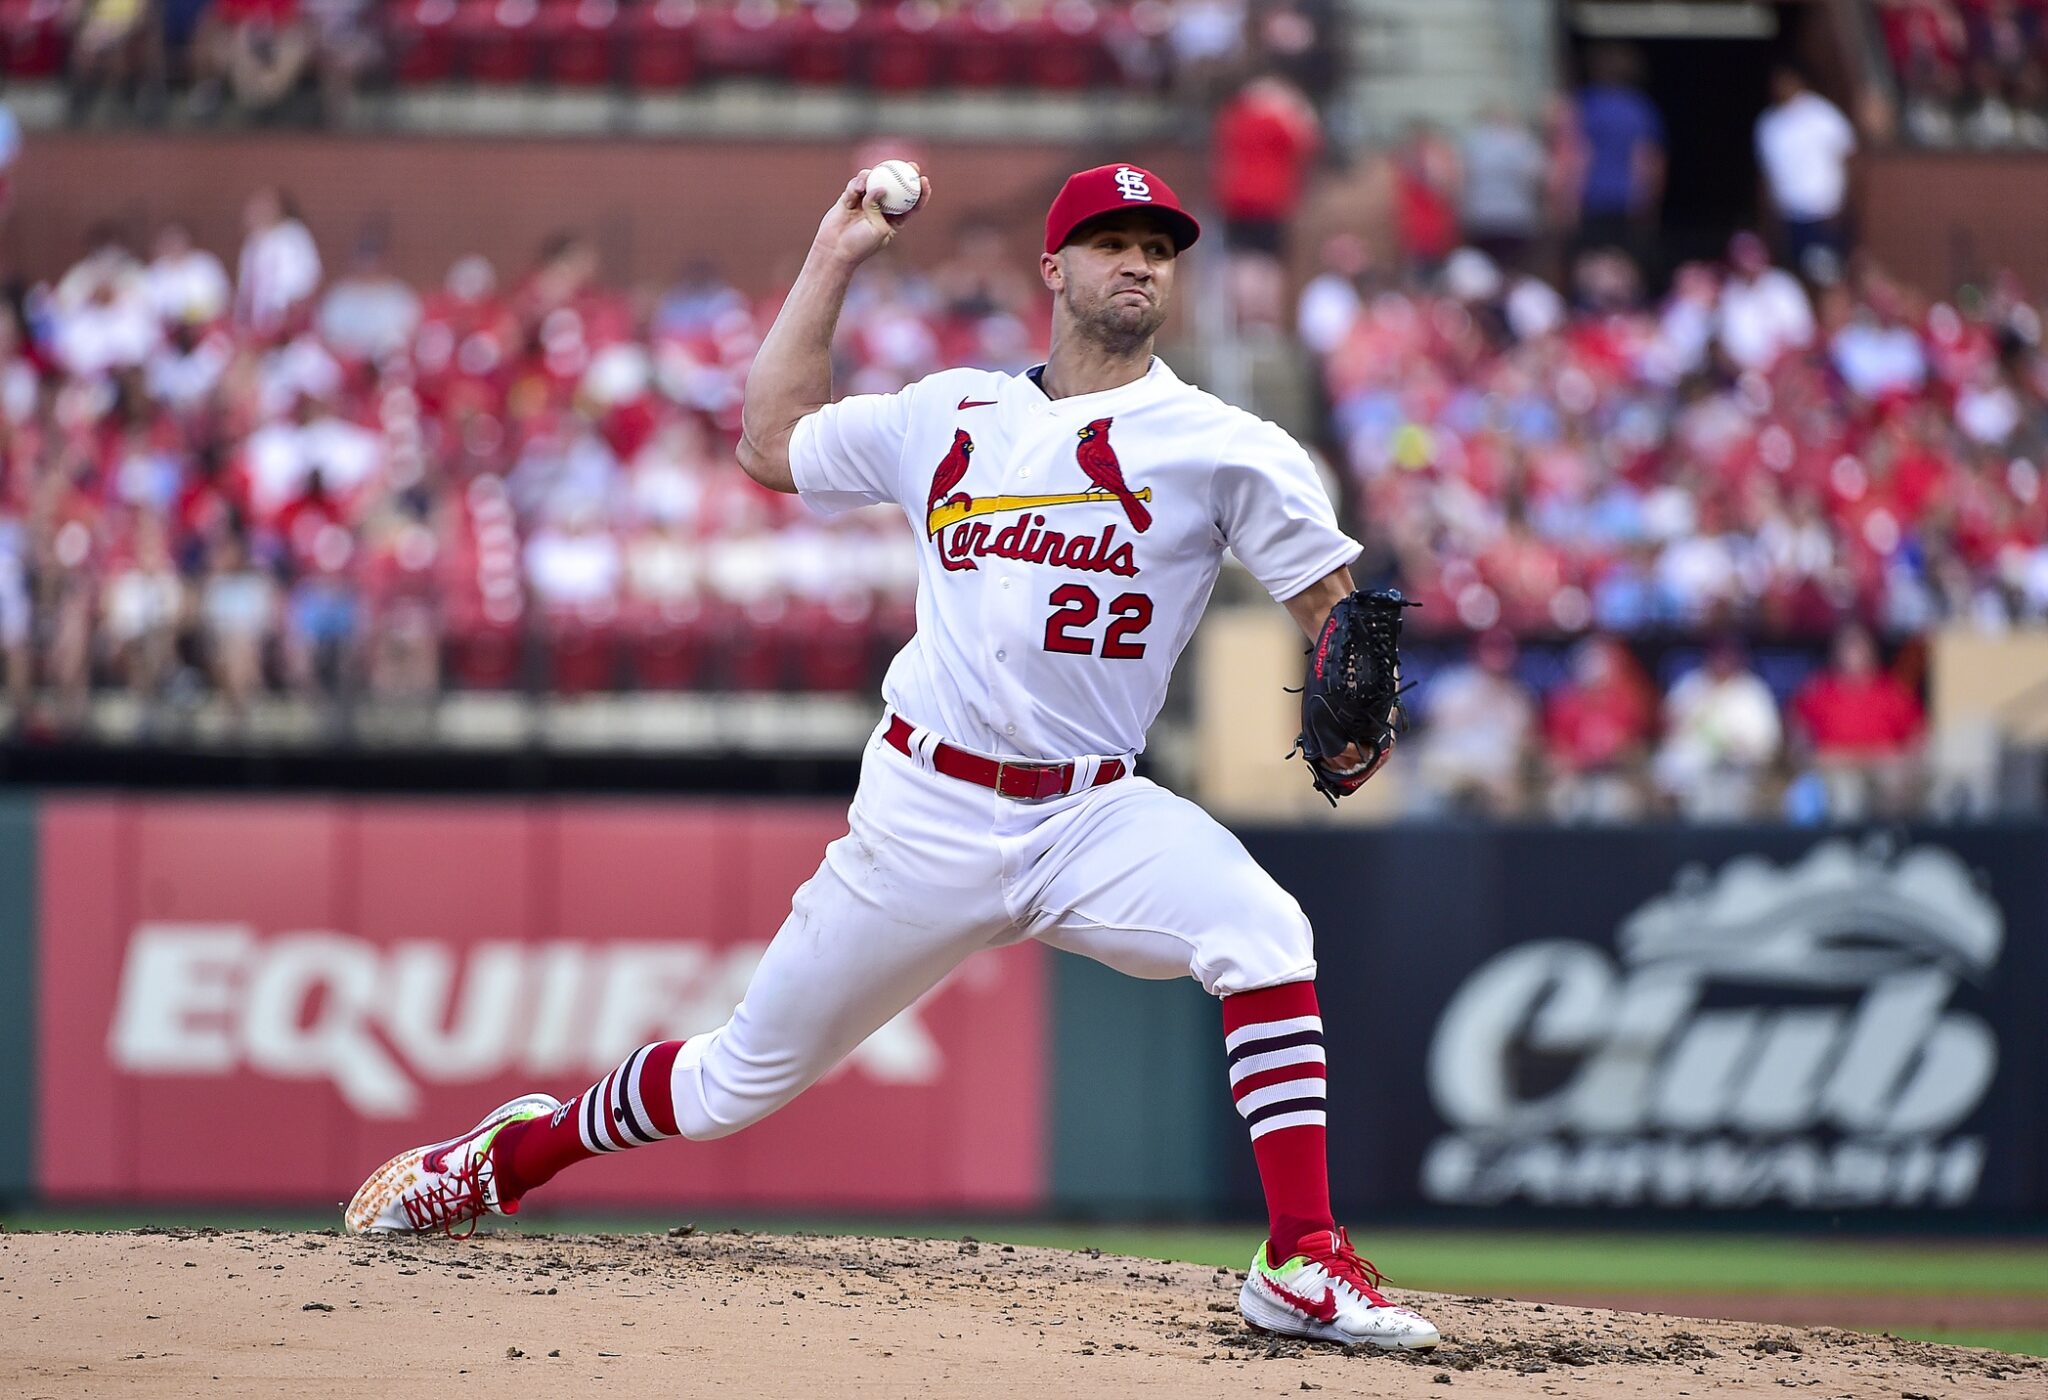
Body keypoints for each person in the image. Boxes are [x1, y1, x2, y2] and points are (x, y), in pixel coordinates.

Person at [344, 161, 1442, 1353]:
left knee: (1265, 930)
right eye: (1112, 241)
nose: (1138, 262)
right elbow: (769, 442)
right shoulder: (948, 413)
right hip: (922, 810)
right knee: (728, 1085)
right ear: (1053, 268)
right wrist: (835, 256)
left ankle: (1299, 1258)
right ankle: (506, 1154)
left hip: (1090, 812)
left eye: (1160, 248)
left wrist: (1344, 667)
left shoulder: (1224, 445)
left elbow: (1329, 607)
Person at [1754, 67, 1857, 282]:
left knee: (1828, 275)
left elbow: (1849, 160)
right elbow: (1767, 175)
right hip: (1789, 214)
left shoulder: (1823, 115)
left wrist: (1844, 204)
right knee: (1795, 276)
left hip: (1823, 212)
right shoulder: (1769, 124)